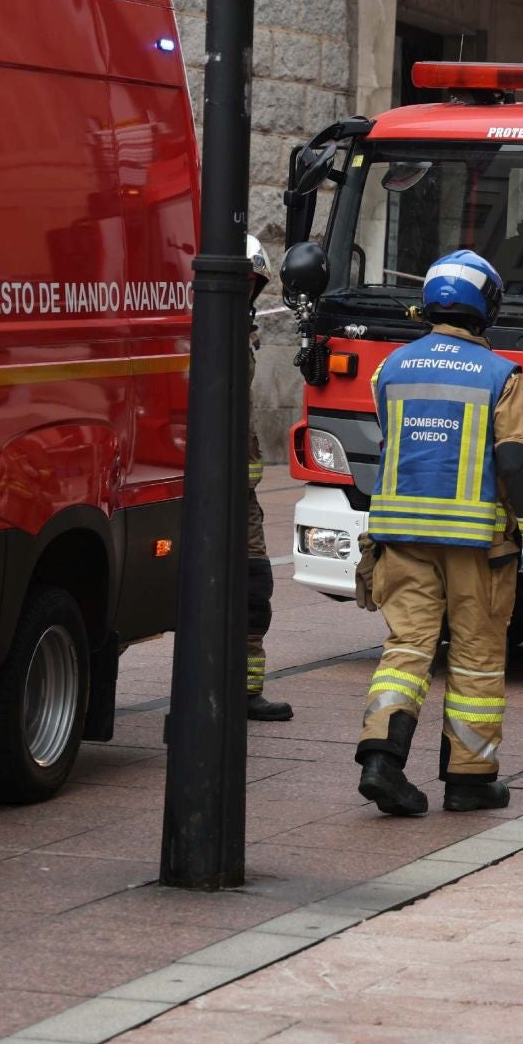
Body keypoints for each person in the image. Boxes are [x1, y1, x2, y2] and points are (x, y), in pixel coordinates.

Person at [353, 250, 523, 816]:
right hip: (477, 545)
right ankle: (469, 781)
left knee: (406, 649)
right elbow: (516, 462)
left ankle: (380, 761)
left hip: (400, 537)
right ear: (485, 307)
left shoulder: (389, 368)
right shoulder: (501, 376)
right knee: (476, 656)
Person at [244, 235, 291, 722]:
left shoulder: (243, 338)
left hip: (243, 501)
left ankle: (246, 689)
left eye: (252, 285)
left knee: (254, 592)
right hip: (197, 498)